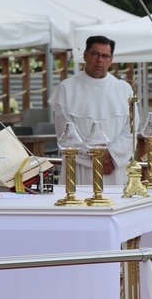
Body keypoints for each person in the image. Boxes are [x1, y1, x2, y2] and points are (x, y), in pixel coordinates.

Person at [48, 35, 136, 186]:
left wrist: (113, 155)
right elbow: (65, 133)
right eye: (95, 54)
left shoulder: (124, 89)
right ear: (85, 55)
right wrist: (98, 158)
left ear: (111, 59)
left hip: (114, 169)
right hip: (80, 169)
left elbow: (131, 130)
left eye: (105, 56)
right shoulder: (67, 88)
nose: (99, 60)